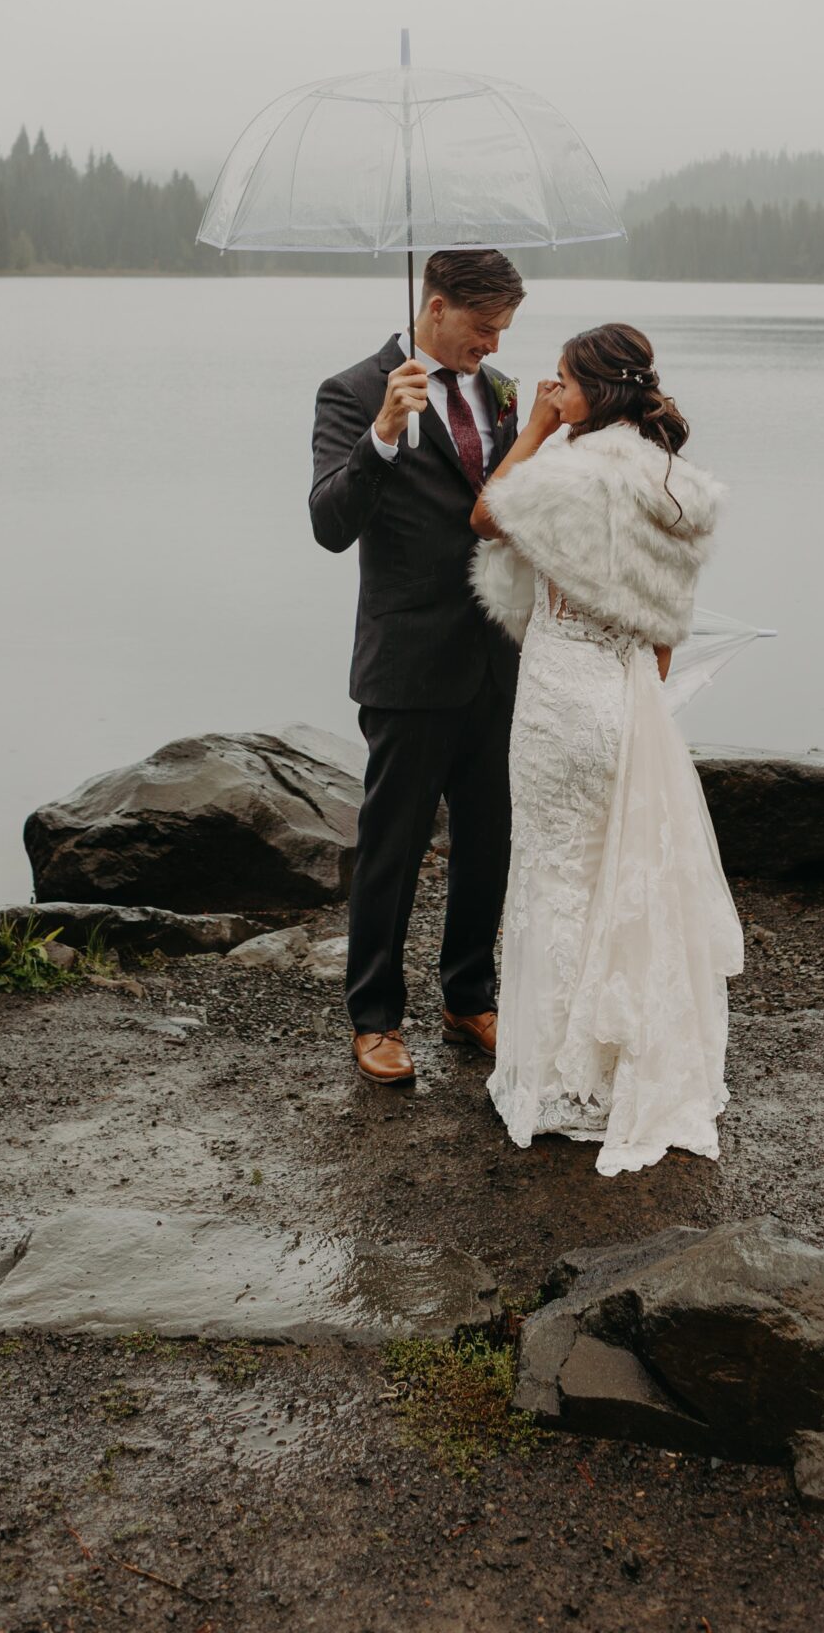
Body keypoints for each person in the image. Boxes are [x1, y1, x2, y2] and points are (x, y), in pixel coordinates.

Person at [469, 322, 741, 1175]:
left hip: (555, 699)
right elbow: (663, 635)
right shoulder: (673, 483)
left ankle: (555, 1079)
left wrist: (534, 432)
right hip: (624, 701)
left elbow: (483, 515)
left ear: (596, 386)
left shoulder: (568, 471)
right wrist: (642, 699)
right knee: (616, 875)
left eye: (561, 379)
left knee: (553, 873)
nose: (552, 390)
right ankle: (617, 1070)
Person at [309, 247, 525, 1086]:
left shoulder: (501, 394)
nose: (494, 346)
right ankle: (374, 1018)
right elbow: (330, 524)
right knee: (391, 847)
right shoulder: (353, 392)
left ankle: (469, 995)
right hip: (407, 658)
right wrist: (383, 436)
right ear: (434, 308)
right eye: (482, 327)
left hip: (498, 657)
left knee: (488, 841)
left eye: (504, 329)